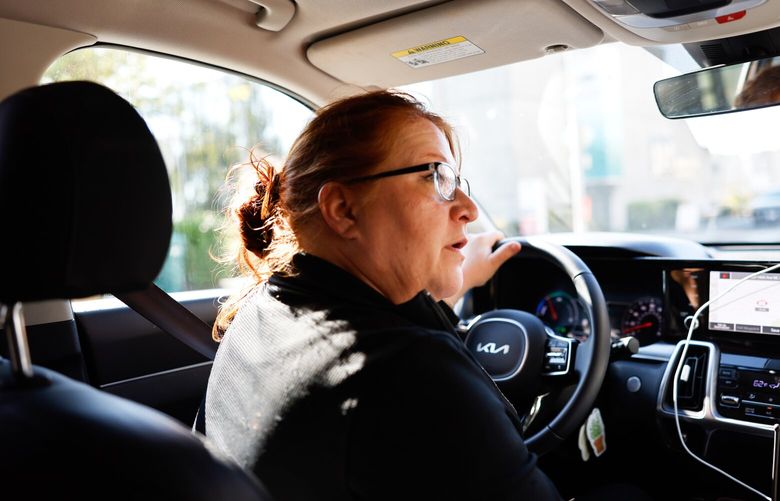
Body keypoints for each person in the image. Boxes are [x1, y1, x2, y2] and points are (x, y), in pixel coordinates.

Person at [202, 89, 563, 500]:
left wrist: (451, 279)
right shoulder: (413, 375)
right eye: (435, 177)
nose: (468, 208)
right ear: (343, 209)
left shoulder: (260, 314)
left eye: (456, 181)